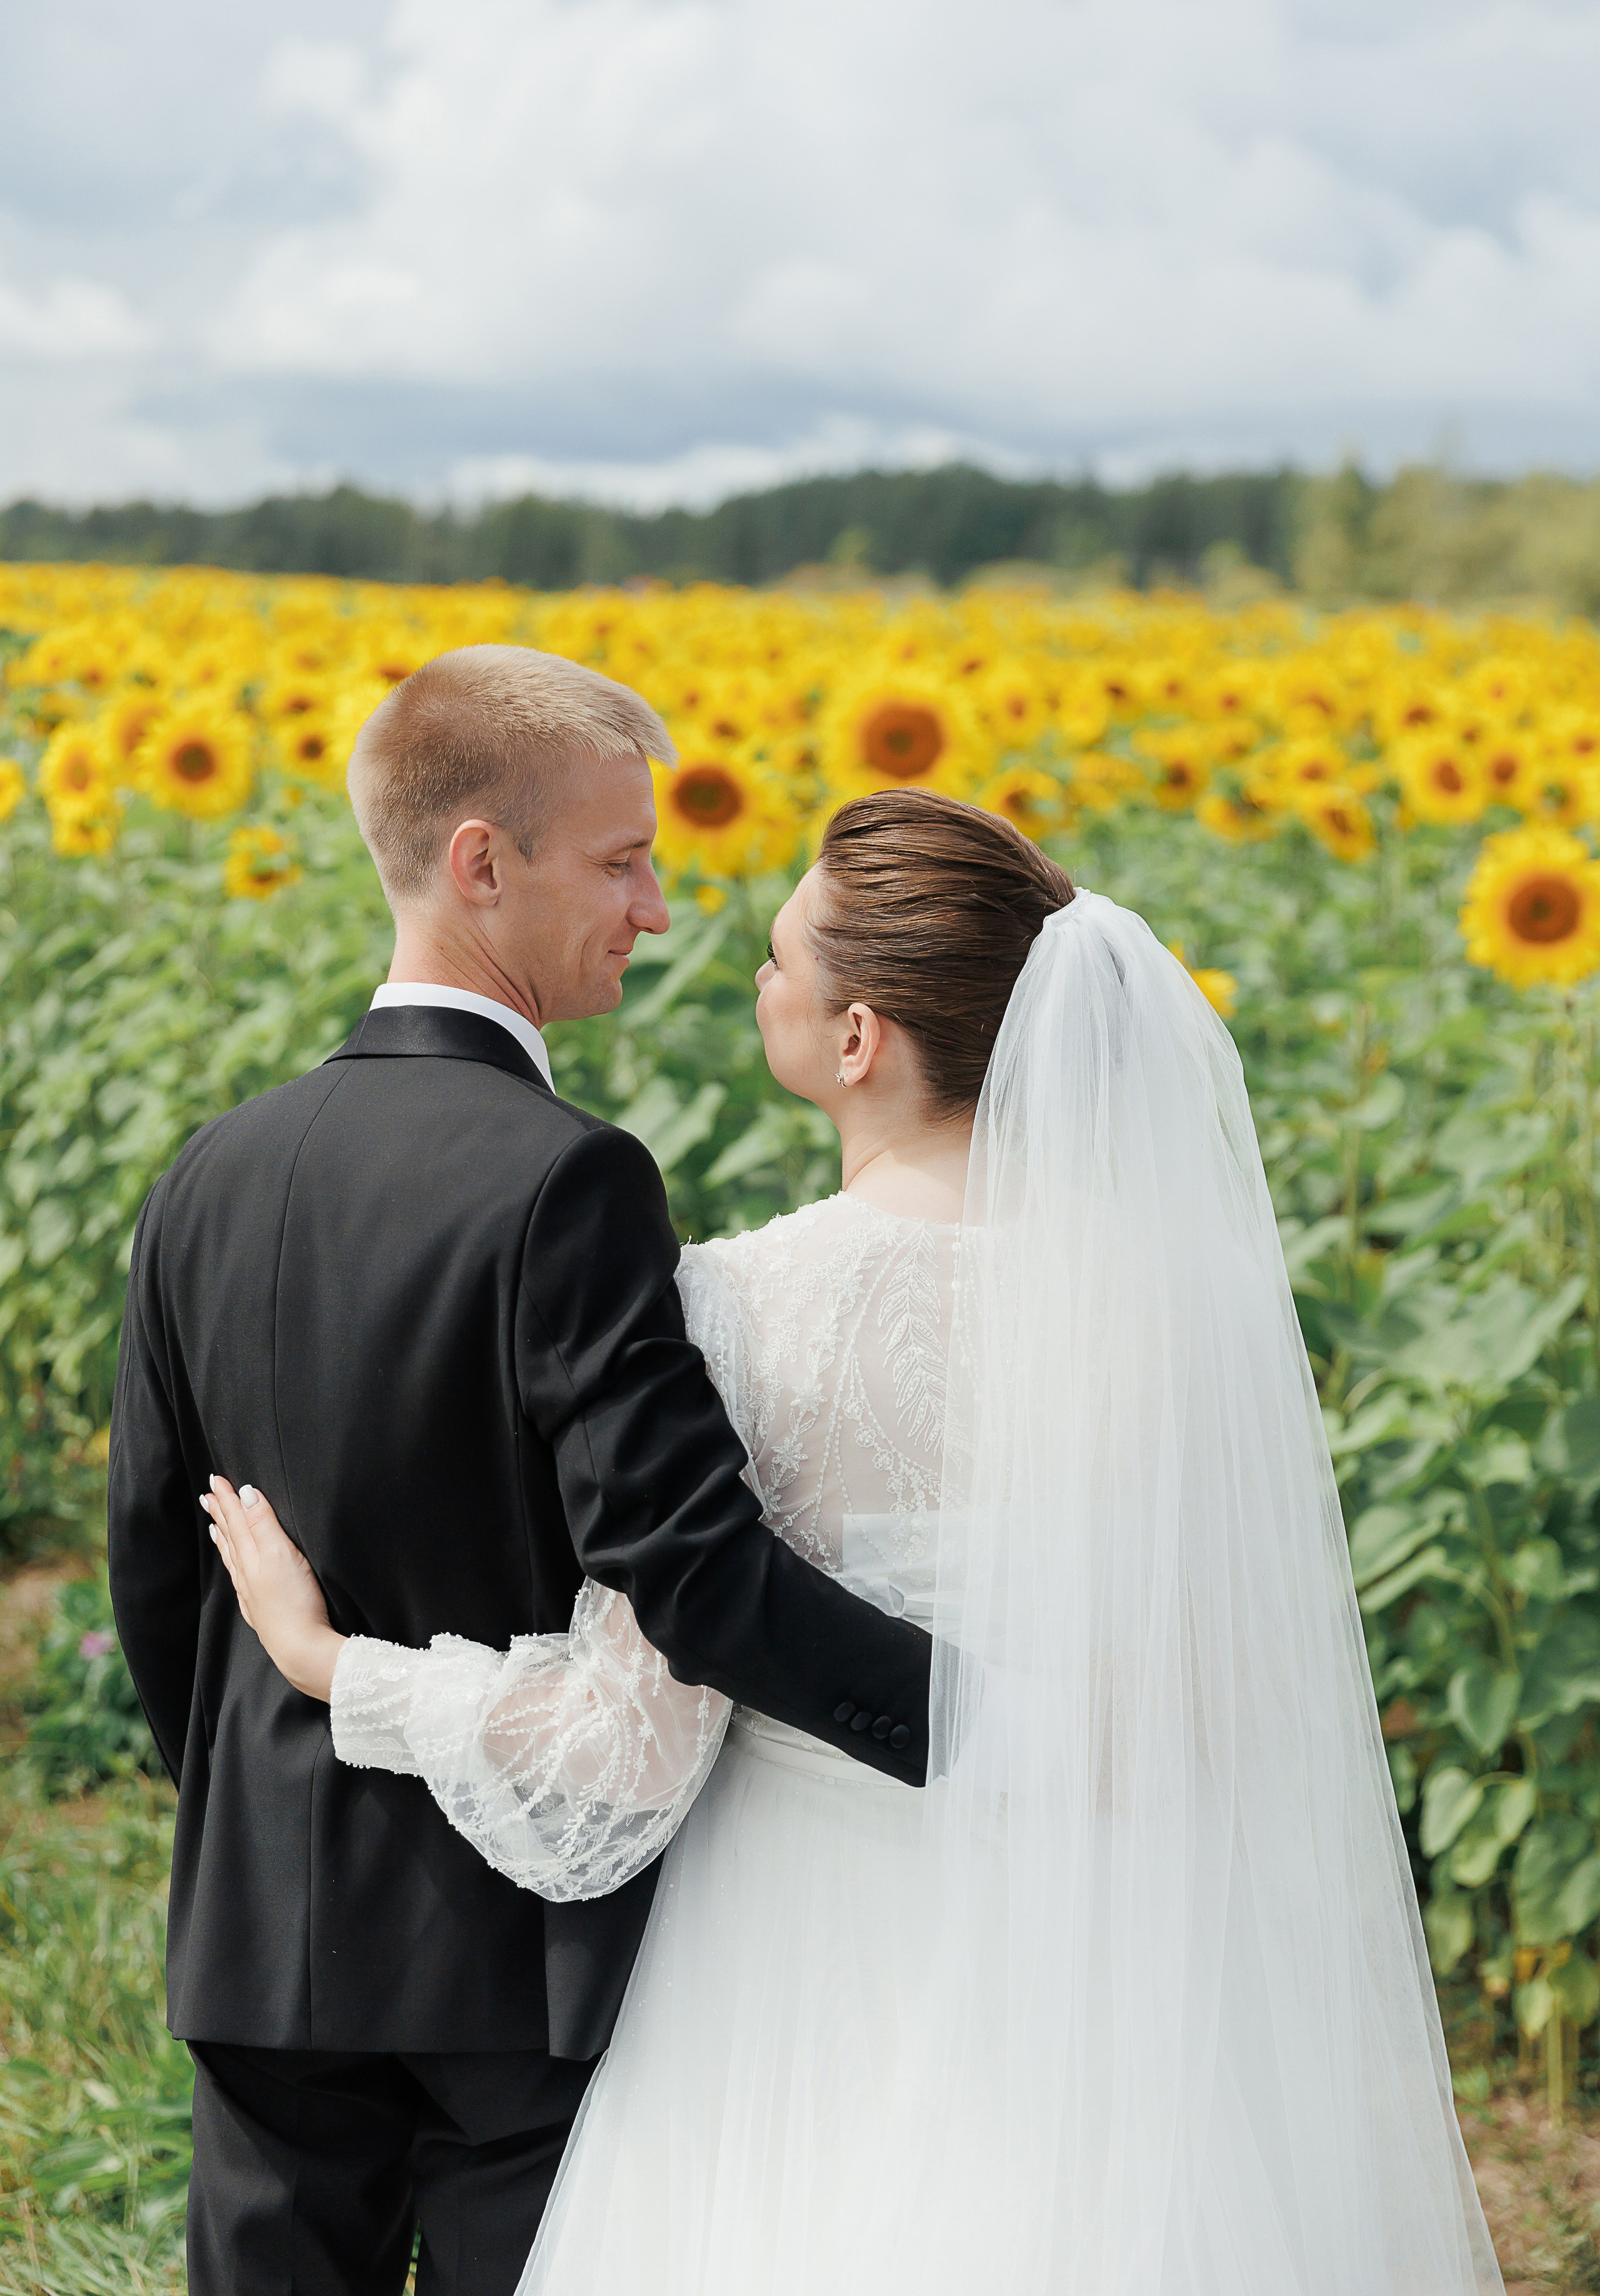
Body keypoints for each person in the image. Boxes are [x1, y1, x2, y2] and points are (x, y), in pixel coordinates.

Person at [205, 786, 1506, 2296]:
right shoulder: (1187, 1307)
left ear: (856, 1039)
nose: (745, 973)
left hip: (805, 1958)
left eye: (775, 957)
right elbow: (1212, 1706)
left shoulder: (749, 1310)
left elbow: (628, 1749)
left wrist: (334, 1663)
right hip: (1120, 1963)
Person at [106, 647, 933, 2296]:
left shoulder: (211, 1170)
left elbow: (153, 1564)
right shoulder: (569, 1183)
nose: (655, 904)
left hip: (263, 1936)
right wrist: (972, 1719)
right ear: (484, 861)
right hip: (509, 1961)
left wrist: (257, 1821)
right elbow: (691, 1576)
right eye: (622, 860)